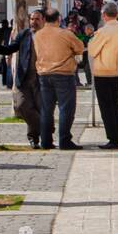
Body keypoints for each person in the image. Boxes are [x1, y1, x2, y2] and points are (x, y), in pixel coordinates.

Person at [33, 8, 86, 151]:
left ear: (44, 19)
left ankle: (46, 140)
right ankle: (64, 140)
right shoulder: (65, 34)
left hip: (44, 74)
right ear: (58, 19)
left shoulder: (38, 35)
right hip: (63, 74)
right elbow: (80, 48)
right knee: (66, 109)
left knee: (46, 109)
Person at [87, 1, 118, 150]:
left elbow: (92, 50)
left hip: (102, 72)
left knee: (106, 107)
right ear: (117, 14)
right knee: (116, 105)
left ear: (104, 15)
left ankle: (112, 137)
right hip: (117, 71)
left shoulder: (103, 31)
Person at [0, 10, 44, 148]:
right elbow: (10, 49)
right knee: (21, 106)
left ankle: (34, 138)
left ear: (43, 20)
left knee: (39, 108)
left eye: (37, 19)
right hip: (23, 78)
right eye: (32, 19)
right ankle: (45, 127)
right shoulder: (24, 34)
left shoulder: (47, 36)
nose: (33, 22)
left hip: (41, 78)